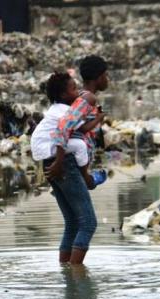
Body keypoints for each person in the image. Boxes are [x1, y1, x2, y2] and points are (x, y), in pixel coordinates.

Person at [42, 55, 110, 265]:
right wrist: (60, 162)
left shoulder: (80, 99)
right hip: (64, 162)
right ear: (98, 77)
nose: (108, 79)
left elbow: (77, 130)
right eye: (106, 75)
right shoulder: (88, 98)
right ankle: (76, 275)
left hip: (59, 160)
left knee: (72, 223)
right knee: (88, 224)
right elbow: (64, 127)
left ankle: (66, 272)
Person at [31, 71, 106, 189]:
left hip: (41, 145)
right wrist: (58, 162)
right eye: (74, 89)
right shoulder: (66, 111)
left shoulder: (58, 107)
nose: (78, 93)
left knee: (78, 142)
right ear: (63, 95)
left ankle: (85, 176)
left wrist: (96, 118)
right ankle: (86, 178)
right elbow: (71, 130)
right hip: (48, 146)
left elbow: (81, 128)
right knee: (80, 145)